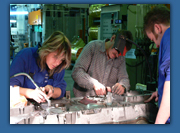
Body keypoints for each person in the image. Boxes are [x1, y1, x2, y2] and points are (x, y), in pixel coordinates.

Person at [10, 31, 71, 103]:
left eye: (62, 59)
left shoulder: (60, 65)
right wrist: (30, 93)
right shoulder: (25, 56)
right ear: (47, 50)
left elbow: (61, 89)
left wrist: (52, 90)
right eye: (55, 57)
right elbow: (10, 88)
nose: (58, 63)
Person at [71, 30, 133, 97]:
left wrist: (123, 86)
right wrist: (93, 83)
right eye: (117, 51)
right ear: (112, 38)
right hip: (84, 100)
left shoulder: (120, 59)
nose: (117, 56)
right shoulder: (93, 47)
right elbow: (76, 72)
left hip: (105, 102)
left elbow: (124, 78)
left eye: (121, 54)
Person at [143, 6, 170, 124]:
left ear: (157, 28)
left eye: (154, 39)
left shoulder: (169, 37)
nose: (156, 45)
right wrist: (161, 91)